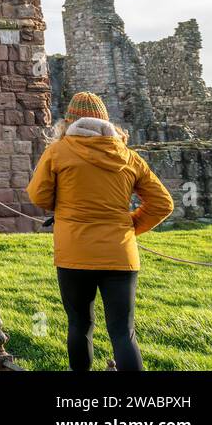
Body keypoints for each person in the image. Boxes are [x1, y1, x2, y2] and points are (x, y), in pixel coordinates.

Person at [26, 91, 173, 372]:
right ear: (107, 123)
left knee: (79, 324)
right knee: (123, 332)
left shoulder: (57, 152)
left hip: (74, 253)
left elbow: (39, 196)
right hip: (120, 253)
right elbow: (163, 203)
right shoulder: (128, 156)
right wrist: (131, 226)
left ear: (69, 122)